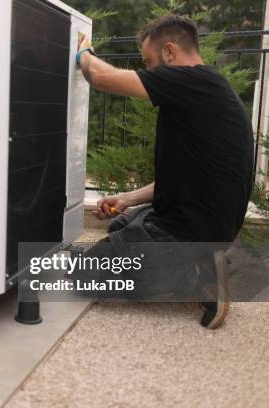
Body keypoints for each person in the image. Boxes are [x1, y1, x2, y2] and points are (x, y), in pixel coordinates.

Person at [75, 15, 254, 329]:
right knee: (119, 224)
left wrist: (83, 53)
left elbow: (102, 77)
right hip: (202, 218)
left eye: (149, 62)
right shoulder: (204, 91)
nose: (148, 71)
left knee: (81, 276)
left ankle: (198, 275)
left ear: (170, 52)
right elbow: (186, 177)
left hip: (190, 229)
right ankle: (194, 258)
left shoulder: (190, 82)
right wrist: (128, 197)